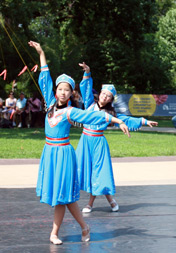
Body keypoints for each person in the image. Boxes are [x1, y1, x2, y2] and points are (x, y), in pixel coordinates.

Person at [29, 40, 130, 245]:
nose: (63, 92)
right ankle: (74, 229)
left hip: (64, 155)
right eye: (60, 89)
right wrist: (41, 53)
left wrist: (117, 120)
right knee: (61, 198)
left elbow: (95, 118)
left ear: (70, 93)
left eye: (67, 90)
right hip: (49, 153)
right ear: (56, 91)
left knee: (64, 197)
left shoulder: (71, 111)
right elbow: (45, 77)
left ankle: (64, 231)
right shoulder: (49, 105)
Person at [76, 63, 158, 213]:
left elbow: (127, 120)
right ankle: (111, 200)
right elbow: (86, 89)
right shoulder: (89, 104)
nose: (105, 96)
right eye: (103, 93)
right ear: (100, 93)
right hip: (85, 142)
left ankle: (90, 204)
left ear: (110, 99)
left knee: (99, 173)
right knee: (87, 172)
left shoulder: (111, 114)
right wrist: (87, 73)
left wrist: (145, 121)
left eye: (108, 96)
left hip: (98, 143)